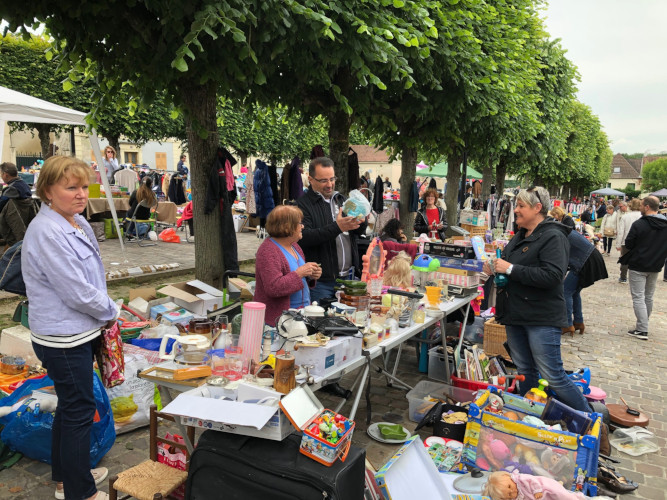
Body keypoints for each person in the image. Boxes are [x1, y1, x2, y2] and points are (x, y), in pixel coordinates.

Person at [22, 156, 115, 500]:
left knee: (70, 405)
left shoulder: (76, 222)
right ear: (48, 190)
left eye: (83, 186)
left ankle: (65, 478)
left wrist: (103, 311)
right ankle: (80, 492)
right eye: (71, 187)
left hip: (79, 330)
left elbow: (90, 277)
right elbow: (75, 290)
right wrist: (111, 311)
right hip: (63, 337)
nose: (80, 194)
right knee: (78, 410)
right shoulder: (47, 231)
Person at [484, 186, 590, 412]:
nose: (516, 210)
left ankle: (590, 421)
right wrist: (494, 267)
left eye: (521, 206)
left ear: (537, 208)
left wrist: (510, 268)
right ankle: (529, 413)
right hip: (516, 313)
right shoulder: (520, 235)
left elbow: (553, 276)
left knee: (553, 375)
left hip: (541, 316)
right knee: (524, 371)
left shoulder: (553, 235)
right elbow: (509, 265)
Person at [297, 157, 367, 304]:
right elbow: (304, 237)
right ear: (310, 179)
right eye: (323, 180)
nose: (330, 185)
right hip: (321, 282)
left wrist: (361, 222)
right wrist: (338, 227)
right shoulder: (302, 205)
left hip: (349, 278)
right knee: (322, 324)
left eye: (332, 179)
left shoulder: (342, 200)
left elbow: (357, 231)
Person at [253, 205, 322, 326]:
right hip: (281, 320)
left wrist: (311, 275)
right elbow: (273, 287)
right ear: (287, 227)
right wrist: (299, 273)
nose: (302, 226)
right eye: (299, 223)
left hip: (302, 315)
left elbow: (298, 277)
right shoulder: (268, 251)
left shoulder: (295, 246)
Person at [620, 196, 667, 340]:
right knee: (648, 296)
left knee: (639, 297)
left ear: (647, 207)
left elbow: (628, 243)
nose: (640, 208)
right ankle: (643, 324)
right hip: (656, 264)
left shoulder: (640, 224)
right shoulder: (665, 225)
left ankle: (642, 328)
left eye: (641, 205)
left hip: (638, 264)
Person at [561, 225, 608, 335]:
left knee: (565, 291)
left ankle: (567, 324)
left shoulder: (558, 234)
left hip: (584, 262)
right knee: (574, 292)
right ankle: (578, 322)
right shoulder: (564, 230)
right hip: (590, 258)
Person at [616, 199, 642, 283]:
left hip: (626, 241)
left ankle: (623, 277)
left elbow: (621, 232)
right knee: (638, 260)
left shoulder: (625, 216)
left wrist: (618, 244)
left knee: (625, 260)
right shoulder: (642, 217)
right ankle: (636, 278)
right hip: (639, 242)